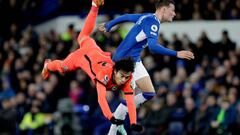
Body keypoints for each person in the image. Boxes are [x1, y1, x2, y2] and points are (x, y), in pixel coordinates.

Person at [41, 0, 143, 132]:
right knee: (62, 67)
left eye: (126, 77)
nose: (123, 79)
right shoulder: (104, 75)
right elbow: (101, 98)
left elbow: (130, 101)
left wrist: (134, 122)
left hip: (95, 50)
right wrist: (110, 117)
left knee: (83, 36)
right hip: (82, 57)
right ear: (115, 71)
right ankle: (48, 65)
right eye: (122, 76)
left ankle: (95, 6)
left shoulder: (127, 78)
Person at [98, 0, 195, 134]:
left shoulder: (146, 17)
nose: (174, 13)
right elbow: (153, 47)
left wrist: (110, 24)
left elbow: (125, 17)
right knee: (130, 95)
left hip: (134, 60)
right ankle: (113, 129)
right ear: (163, 9)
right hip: (123, 62)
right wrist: (177, 53)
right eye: (172, 10)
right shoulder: (153, 22)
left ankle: (120, 114)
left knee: (149, 93)